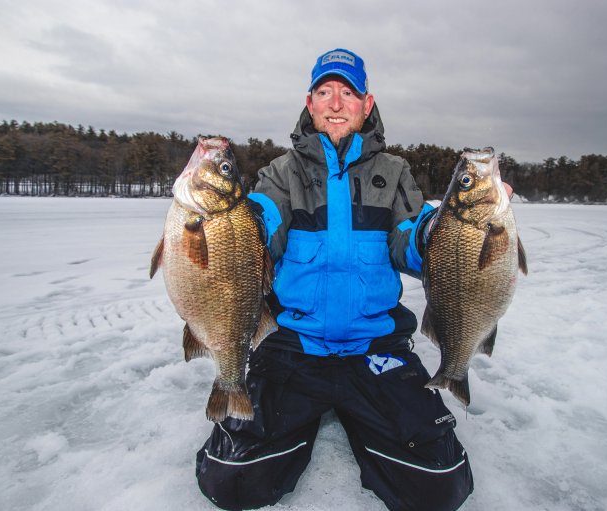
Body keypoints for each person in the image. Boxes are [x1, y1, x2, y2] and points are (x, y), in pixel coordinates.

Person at [195, 48, 474, 511]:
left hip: (376, 349)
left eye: (347, 92)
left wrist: (452, 231)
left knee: (440, 486)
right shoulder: (281, 173)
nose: (336, 103)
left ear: (367, 103)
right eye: (325, 92)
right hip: (294, 346)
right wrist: (224, 224)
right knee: (232, 482)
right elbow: (262, 222)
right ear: (310, 103)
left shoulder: (395, 172)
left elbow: (409, 239)